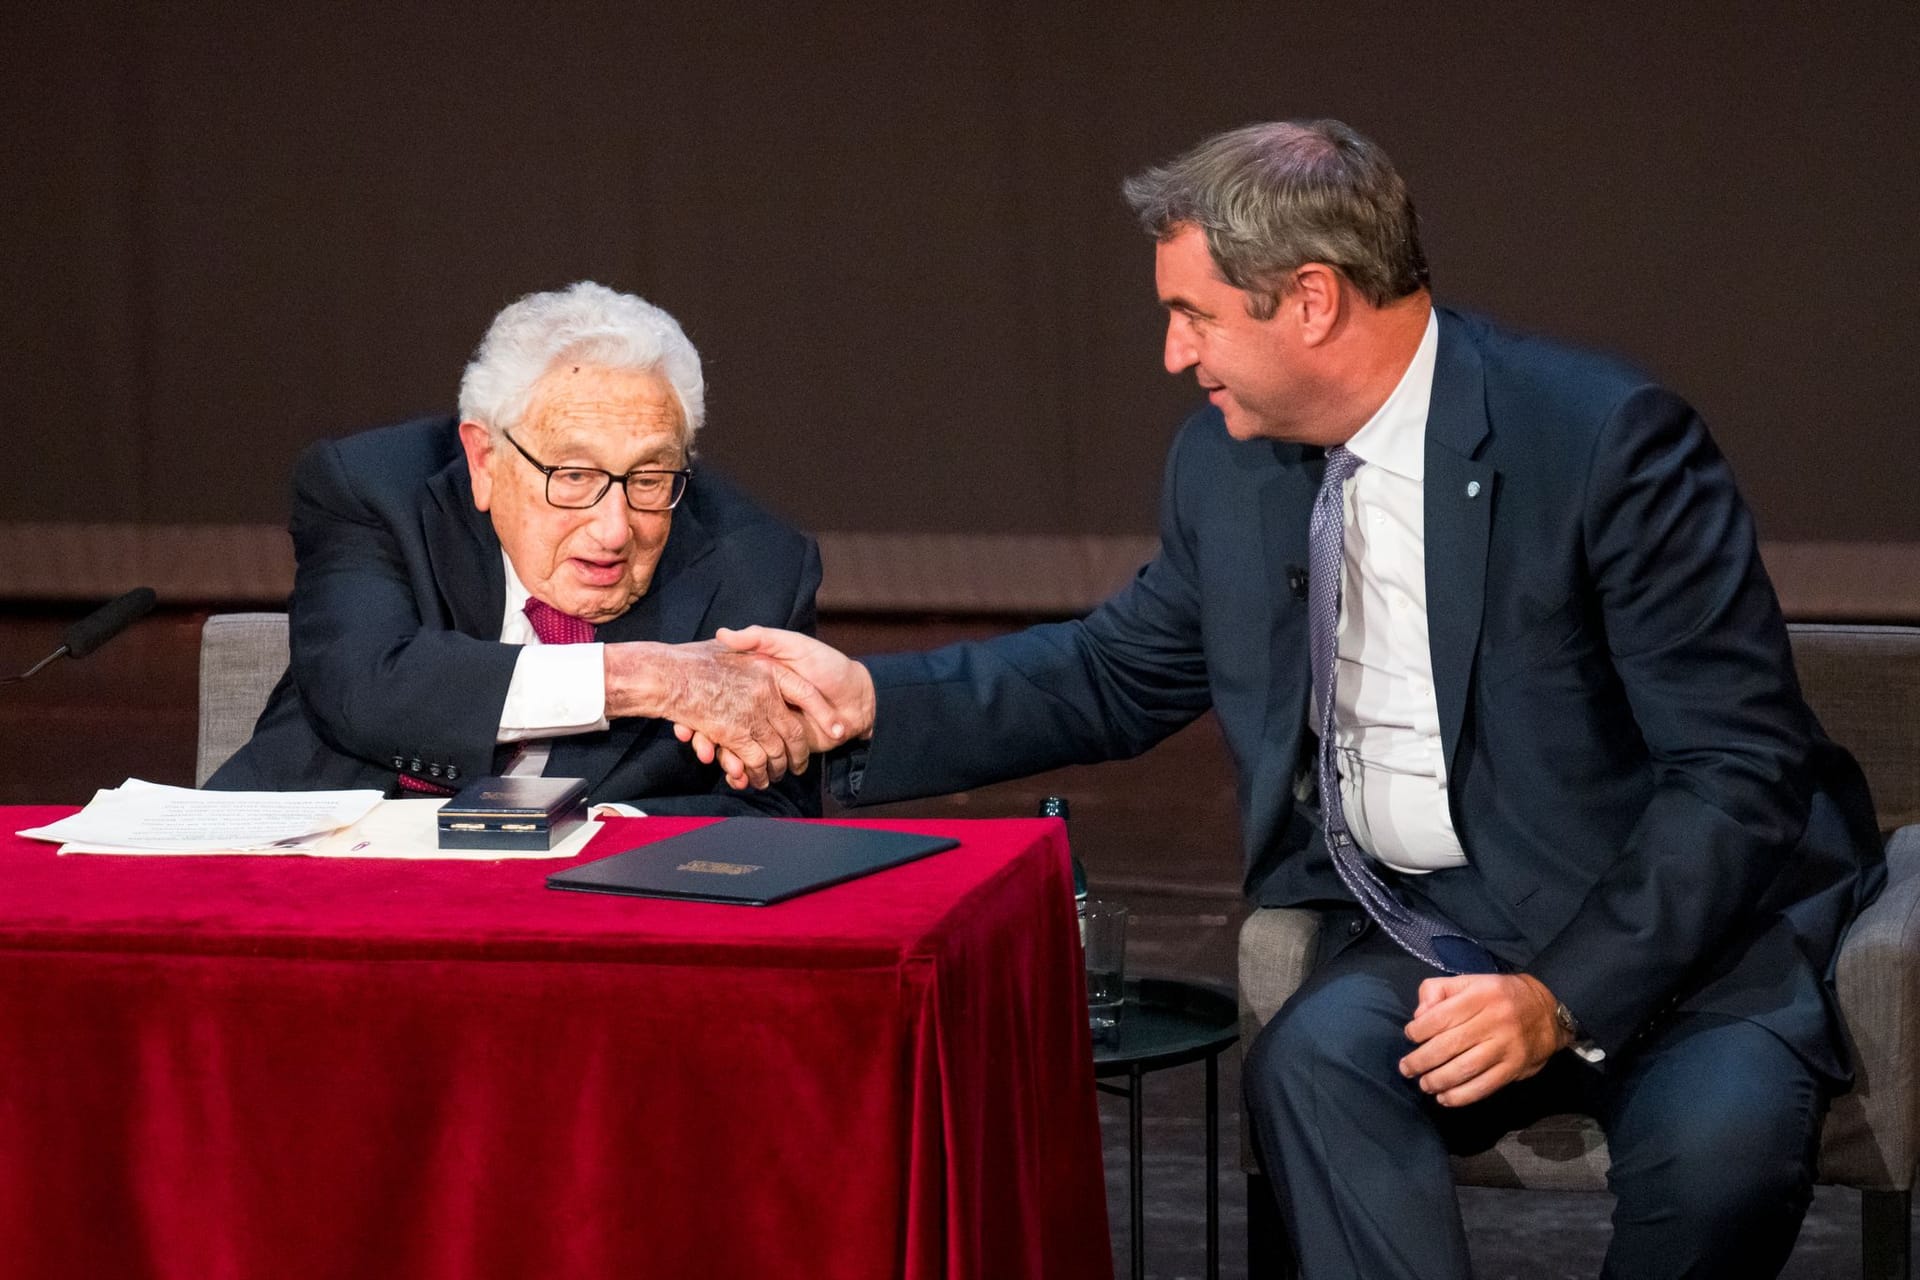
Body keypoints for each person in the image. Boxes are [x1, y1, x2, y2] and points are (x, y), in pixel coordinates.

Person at [695, 121, 1885, 1276]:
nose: (1174, 354)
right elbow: (1116, 669)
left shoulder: (1603, 441)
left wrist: (1559, 995)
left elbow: (1736, 773)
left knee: (1721, 1160)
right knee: (1310, 1065)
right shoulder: (1228, 462)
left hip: (1683, 930)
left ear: (1311, 300)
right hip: (1441, 922)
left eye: (1193, 315)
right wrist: (863, 703)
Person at [210, 281, 829, 815]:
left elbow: (772, 810)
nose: (614, 529)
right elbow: (369, 683)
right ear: (485, 459)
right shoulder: (373, 489)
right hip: (320, 870)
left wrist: (600, 837)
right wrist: (648, 677)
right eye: (574, 476)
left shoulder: (756, 568)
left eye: (648, 479)